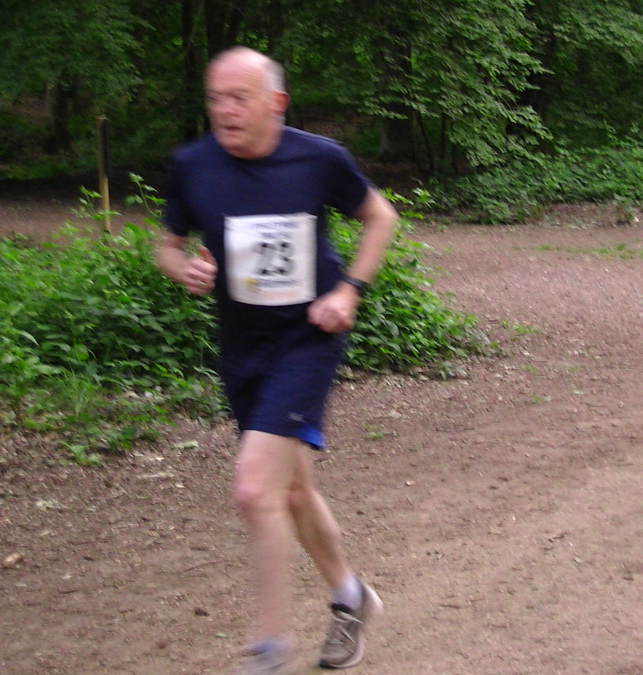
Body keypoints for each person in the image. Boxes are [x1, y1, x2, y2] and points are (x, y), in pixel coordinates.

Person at [155, 46, 399, 673]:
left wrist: (350, 291)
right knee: (290, 490)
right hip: (242, 347)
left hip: (308, 338)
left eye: (239, 98)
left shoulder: (318, 158)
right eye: (215, 98)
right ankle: (351, 598)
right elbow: (168, 244)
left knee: (252, 489)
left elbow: (380, 217)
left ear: (276, 103)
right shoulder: (192, 165)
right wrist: (182, 268)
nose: (225, 111)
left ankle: (269, 648)